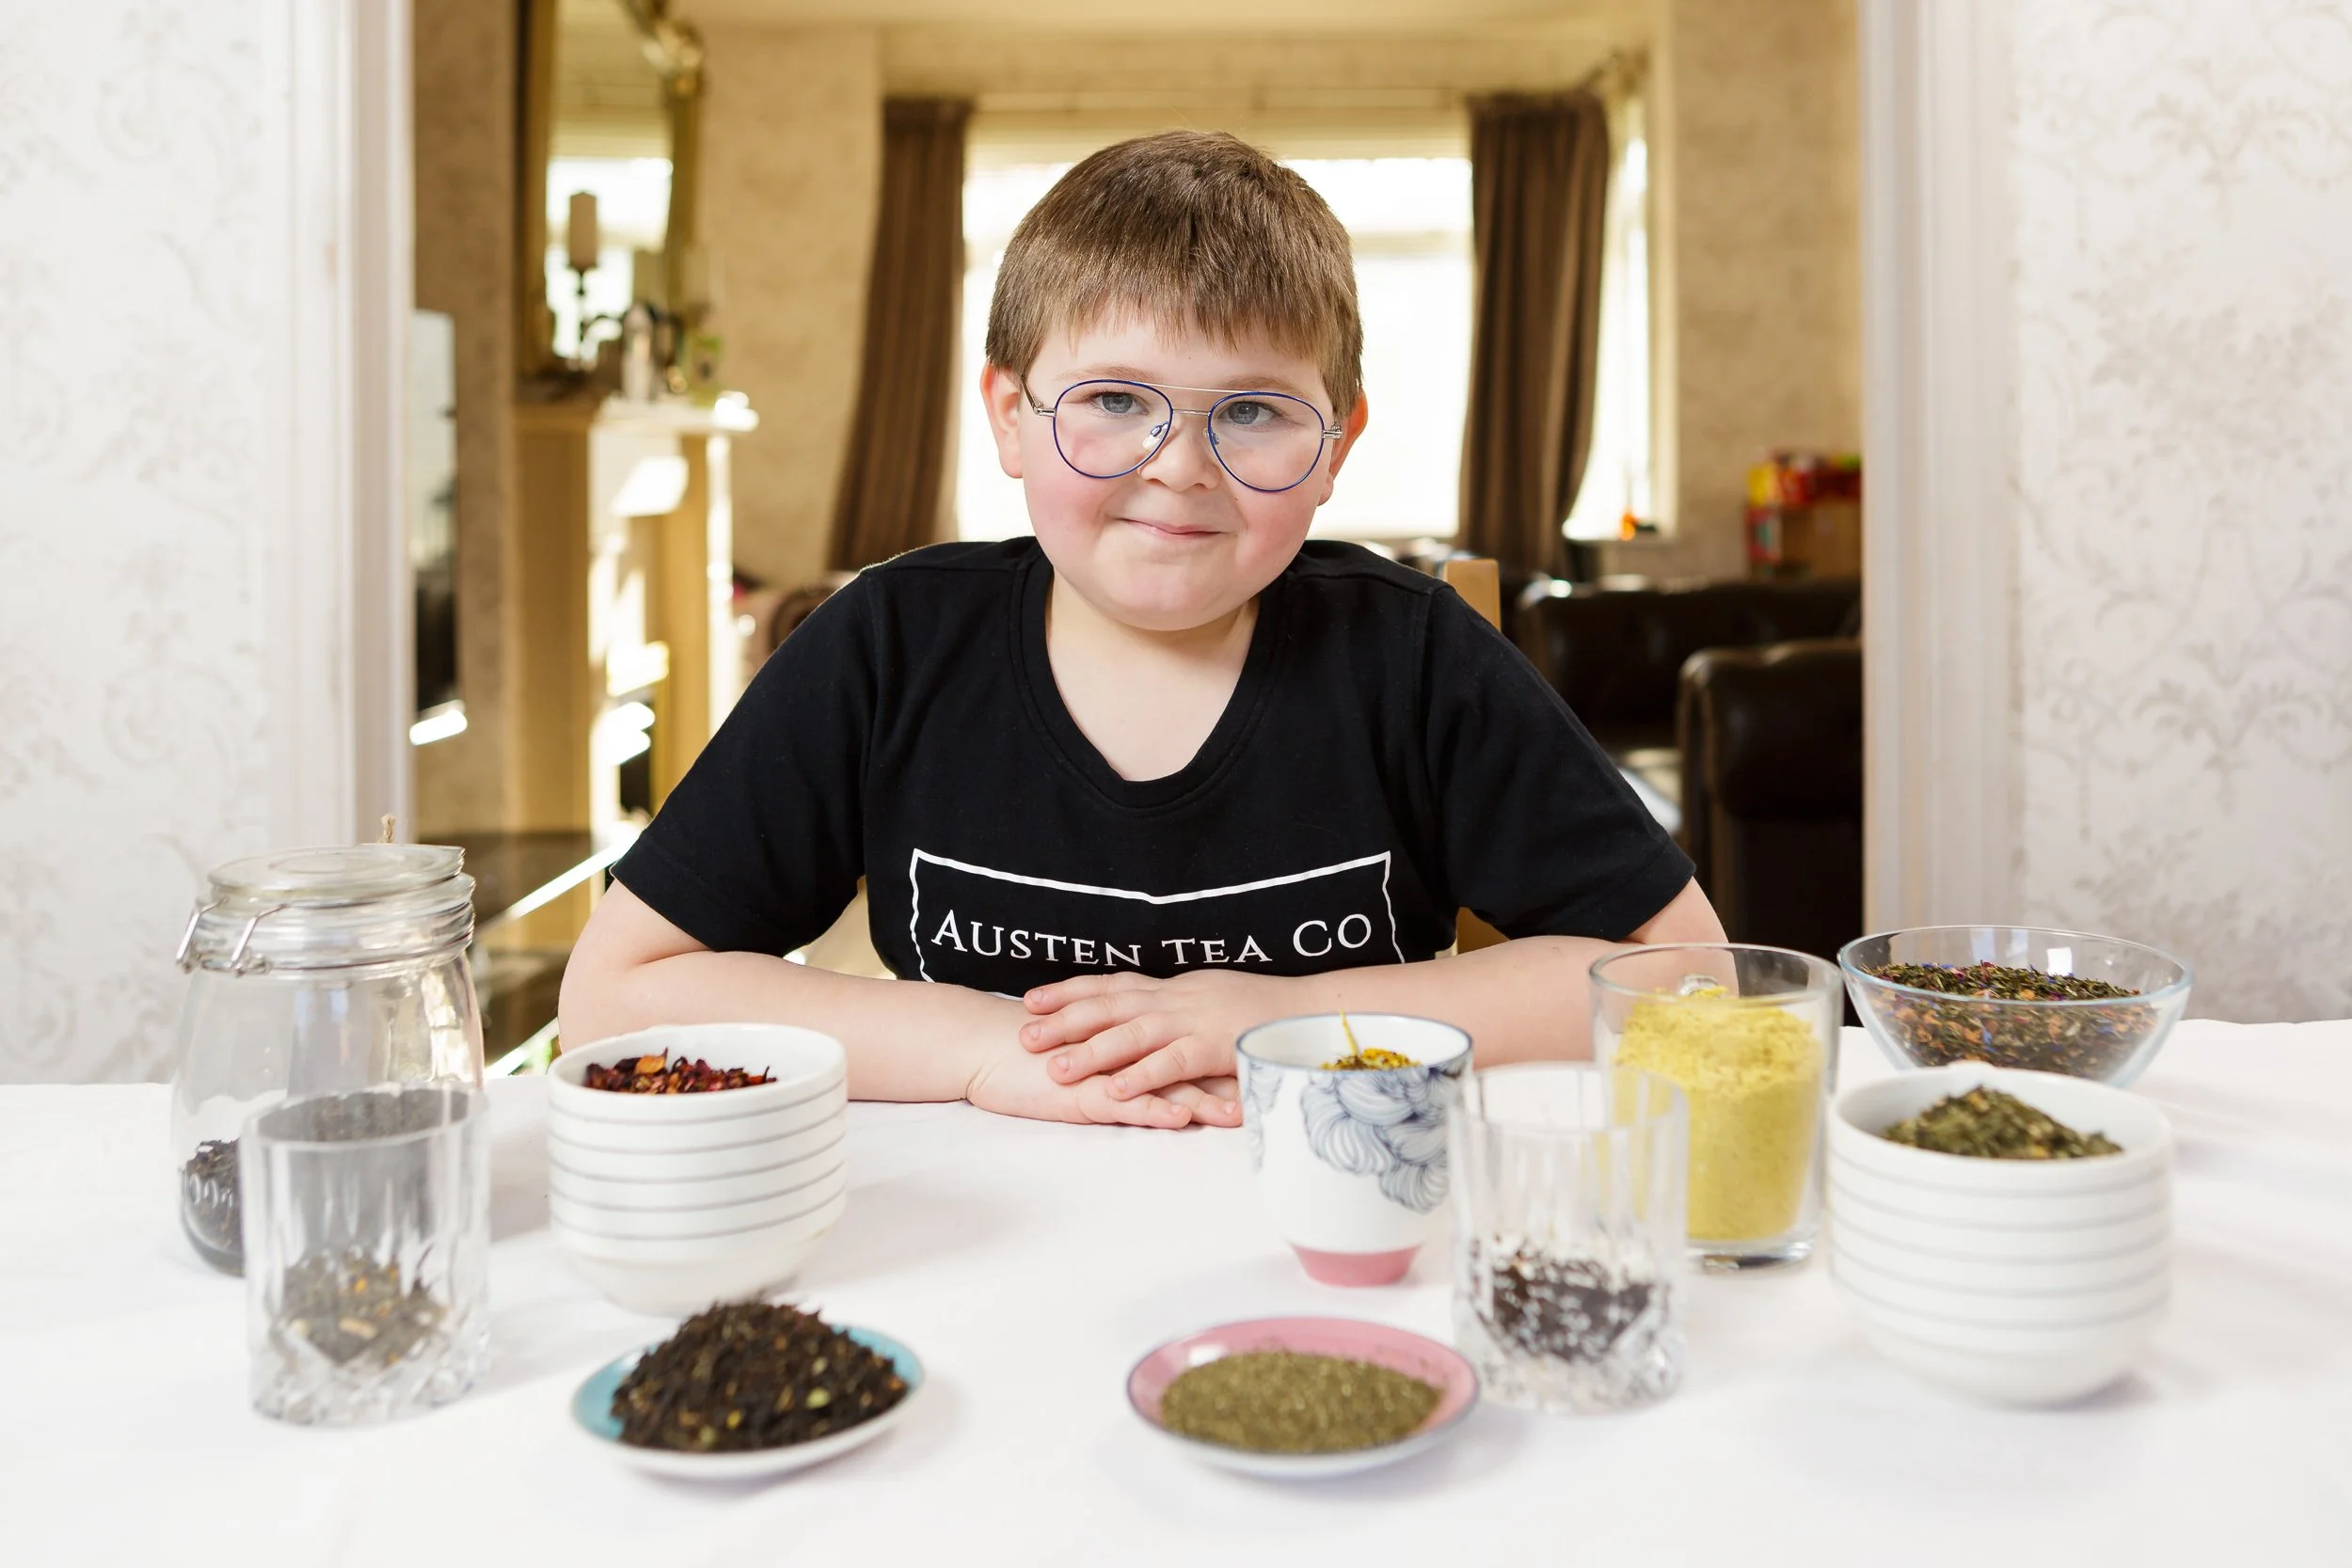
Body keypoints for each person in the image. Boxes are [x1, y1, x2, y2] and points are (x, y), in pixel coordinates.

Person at [557, 130, 1725, 1132]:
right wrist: (979, 1048)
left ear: (1338, 444)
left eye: (1255, 411)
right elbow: (611, 994)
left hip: (1334, 1209)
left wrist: (1282, 1017)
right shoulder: (890, 646)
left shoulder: (1410, 658)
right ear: (1009, 416)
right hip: (982, 1228)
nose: (1178, 468)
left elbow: (1685, 975)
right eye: (1115, 399)